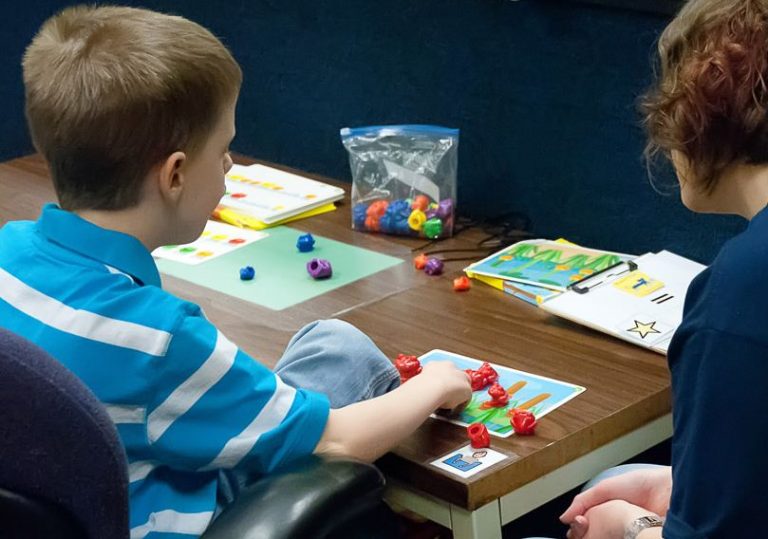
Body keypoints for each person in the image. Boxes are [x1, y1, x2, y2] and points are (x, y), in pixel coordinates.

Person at [0, 6, 472, 538]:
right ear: (175, 175)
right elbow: (339, 440)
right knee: (344, 354)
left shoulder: (7, 253)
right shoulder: (158, 339)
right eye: (223, 150)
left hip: (88, 500)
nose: (228, 165)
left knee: (324, 348)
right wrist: (433, 384)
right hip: (169, 521)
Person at [559, 0, 768, 537]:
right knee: (620, 477)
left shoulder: (740, 294)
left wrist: (628, 527)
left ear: (700, 113)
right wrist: (686, 489)